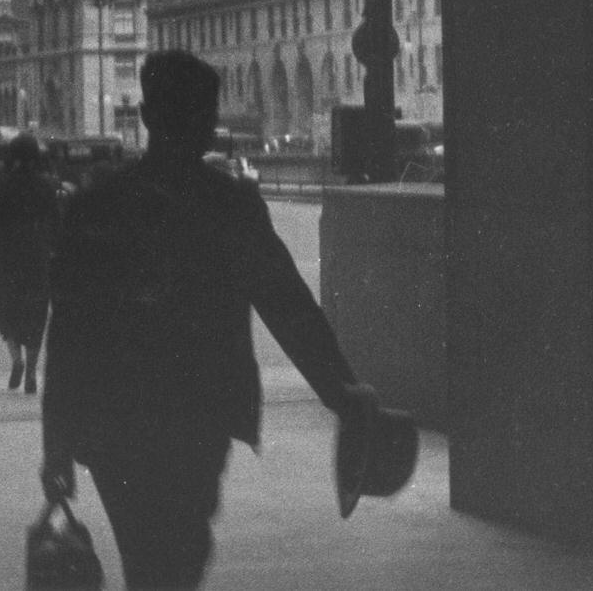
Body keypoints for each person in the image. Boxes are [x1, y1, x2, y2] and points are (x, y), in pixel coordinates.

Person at [40, 50, 363, 590]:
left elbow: (69, 335)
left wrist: (57, 442)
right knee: (180, 553)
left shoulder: (96, 207)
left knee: (150, 553)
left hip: (117, 423)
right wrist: (341, 390)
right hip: (199, 416)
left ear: (145, 117)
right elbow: (288, 305)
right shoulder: (231, 205)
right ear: (208, 123)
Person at [0, 132, 60, 394]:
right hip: (37, 254)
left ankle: (16, 360)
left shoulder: (3, 185)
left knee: (9, 310)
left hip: (9, 256)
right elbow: (55, 221)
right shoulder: (45, 185)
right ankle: (31, 373)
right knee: (36, 314)